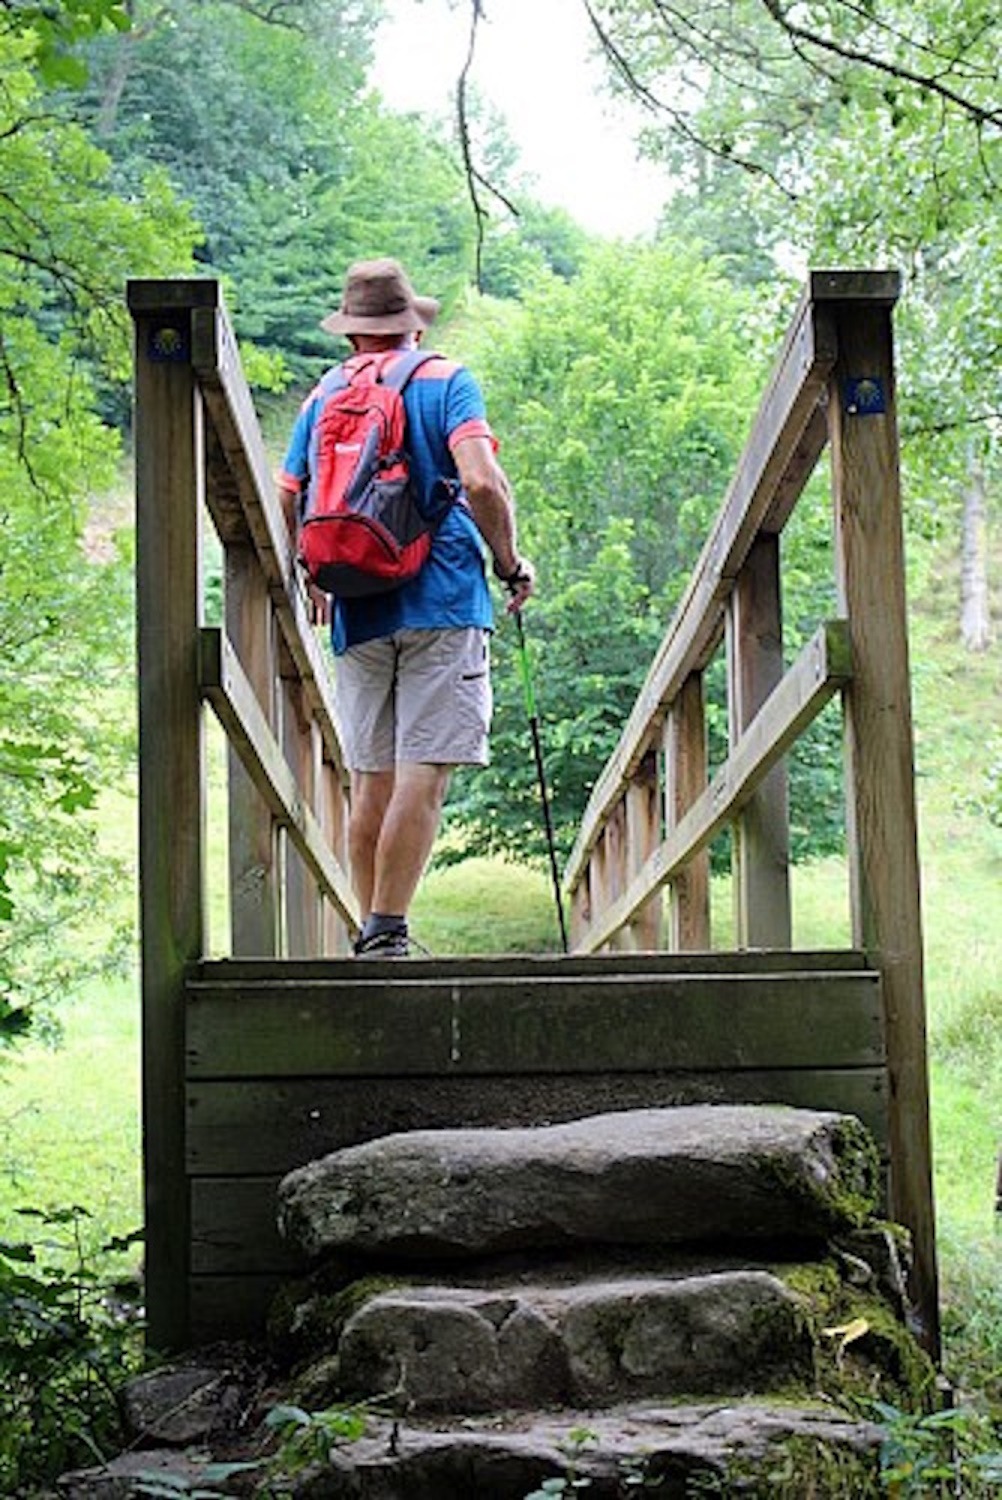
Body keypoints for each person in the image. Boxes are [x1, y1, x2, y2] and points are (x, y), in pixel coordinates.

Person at [278, 258, 535, 957]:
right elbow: (481, 481)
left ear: (353, 333)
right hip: (444, 595)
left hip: (356, 601)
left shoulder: (322, 397)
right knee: (424, 770)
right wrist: (509, 564)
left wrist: (313, 571)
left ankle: (372, 936)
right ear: (411, 325)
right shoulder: (446, 380)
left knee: (372, 776)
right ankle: (386, 932)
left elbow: (286, 493)